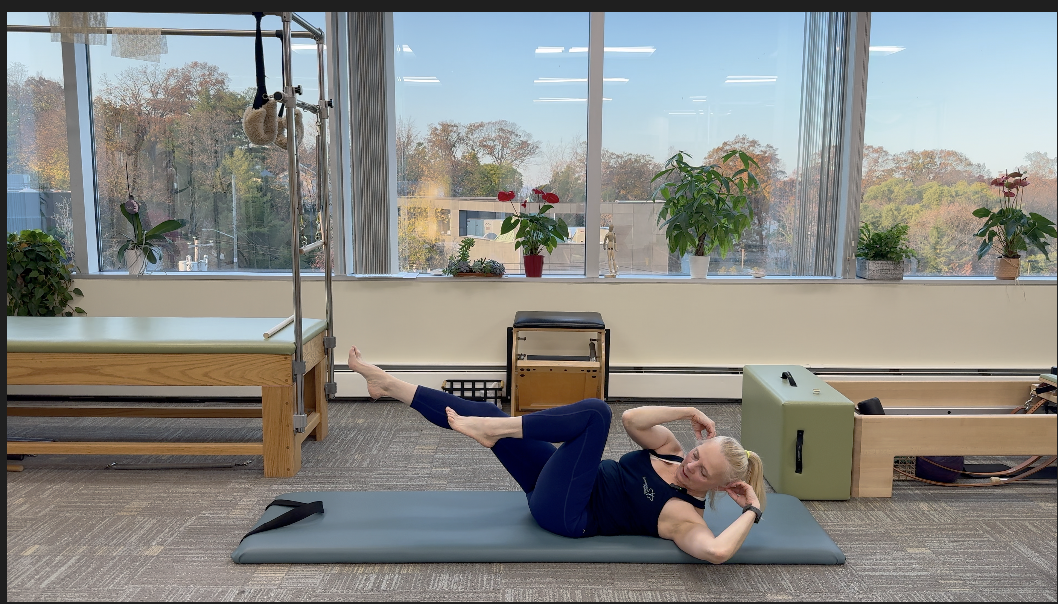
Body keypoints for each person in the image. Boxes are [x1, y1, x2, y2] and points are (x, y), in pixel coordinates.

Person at [347, 345, 767, 564]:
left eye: (702, 471)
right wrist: (688, 410)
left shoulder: (684, 516)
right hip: (557, 480)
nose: (691, 465)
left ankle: (494, 431)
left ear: (719, 486)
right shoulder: (674, 453)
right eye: (697, 454)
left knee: (596, 413)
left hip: (566, 515)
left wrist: (751, 511)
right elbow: (635, 420)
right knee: (489, 411)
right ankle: (389, 385)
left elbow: (716, 552)